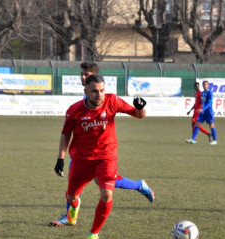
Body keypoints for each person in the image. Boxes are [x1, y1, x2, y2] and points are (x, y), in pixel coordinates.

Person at [49, 62, 154, 227]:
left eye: (86, 74)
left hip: (104, 153)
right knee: (75, 189)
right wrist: (60, 157)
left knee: (101, 184)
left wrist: (140, 108)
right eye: (82, 74)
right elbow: (67, 131)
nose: (83, 77)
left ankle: (71, 218)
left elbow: (138, 114)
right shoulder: (77, 107)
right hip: (82, 152)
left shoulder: (107, 99)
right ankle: (71, 217)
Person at [186, 80, 217, 145]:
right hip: (202, 112)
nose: (204, 85)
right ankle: (193, 139)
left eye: (205, 84)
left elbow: (209, 103)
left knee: (211, 125)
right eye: (203, 84)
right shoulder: (202, 93)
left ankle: (215, 140)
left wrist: (202, 109)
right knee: (197, 124)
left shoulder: (210, 93)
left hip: (208, 112)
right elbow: (202, 103)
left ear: (208, 85)